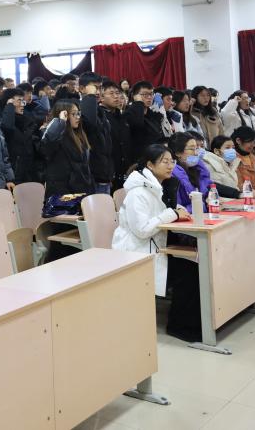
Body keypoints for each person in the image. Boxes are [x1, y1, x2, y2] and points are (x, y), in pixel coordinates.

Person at [111, 145, 200, 341]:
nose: (170, 166)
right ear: (150, 165)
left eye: (172, 161)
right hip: (136, 252)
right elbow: (142, 230)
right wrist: (171, 214)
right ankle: (180, 326)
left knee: (194, 263)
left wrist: (176, 211)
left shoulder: (156, 188)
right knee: (188, 271)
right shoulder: (138, 193)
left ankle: (191, 324)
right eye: (164, 162)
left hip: (154, 247)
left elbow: (159, 216)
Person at [169, 133, 237, 210]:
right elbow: (178, 209)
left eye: (196, 149)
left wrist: (210, 199)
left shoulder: (199, 170)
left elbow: (208, 191)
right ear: (178, 153)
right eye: (192, 149)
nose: (196, 153)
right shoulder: (173, 175)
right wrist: (204, 205)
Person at [40, 101, 93, 198]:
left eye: (78, 113)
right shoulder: (53, 134)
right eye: (74, 114)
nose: (78, 117)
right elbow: (46, 148)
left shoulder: (80, 135)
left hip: (82, 190)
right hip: (62, 194)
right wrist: (60, 122)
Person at [78, 73, 113, 194]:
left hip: (104, 174)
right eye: (94, 88)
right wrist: (90, 96)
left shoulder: (100, 111)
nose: (98, 92)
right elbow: (90, 123)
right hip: (90, 176)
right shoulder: (77, 108)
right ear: (82, 88)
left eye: (100, 88)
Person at [101, 80, 132, 190]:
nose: (116, 96)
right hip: (108, 173)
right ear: (101, 97)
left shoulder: (121, 116)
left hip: (125, 170)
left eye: (117, 93)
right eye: (111, 93)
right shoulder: (99, 117)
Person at [126, 81, 165, 159]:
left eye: (151, 94)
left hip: (156, 156)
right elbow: (138, 124)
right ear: (135, 96)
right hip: (138, 158)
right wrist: (139, 103)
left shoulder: (153, 114)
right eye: (145, 94)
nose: (149, 97)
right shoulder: (128, 113)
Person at [230, 126, 255, 191]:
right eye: (250, 142)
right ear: (238, 141)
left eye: (254, 142)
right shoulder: (232, 160)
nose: (253, 145)